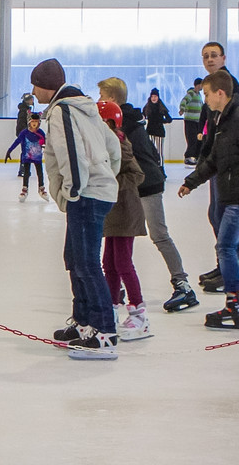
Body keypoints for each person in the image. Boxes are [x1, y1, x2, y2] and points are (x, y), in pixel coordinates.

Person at [30, 58, 122, 360]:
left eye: (35, 86)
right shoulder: (85, 106)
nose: (33, 92)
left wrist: (75, 190)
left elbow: (71, 151)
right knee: (74, 258)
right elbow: (113, 146)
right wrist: (107, 175)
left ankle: (104, 330)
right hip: (94, 190)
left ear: (46, 86)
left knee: (86, 263)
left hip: (85, 194)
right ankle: (84, 323)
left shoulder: (62, 110)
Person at [98, 77, 196, 312]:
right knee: (117, 242)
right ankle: (116, 287)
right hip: (132, 188)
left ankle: (182, 284)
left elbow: (141, 159)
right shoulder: (124, 122)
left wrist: (138, 181)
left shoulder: (125, 125)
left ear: (112, 98)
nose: (99, 100)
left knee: (159, 234)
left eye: (102, 96)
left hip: (146, 186)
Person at [179, 70, 239, 330]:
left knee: (226, 247)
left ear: (220, 93)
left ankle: (234, 305)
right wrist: (191, 182)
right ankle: (233, 304)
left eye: (206, 94)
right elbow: (214, 158)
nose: (205, 99)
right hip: (231, 195)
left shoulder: (235, 119)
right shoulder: (223, 119)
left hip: (236, 196)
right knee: (227, 247)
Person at [97, 100, 152, 341]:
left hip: (126, 210)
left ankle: (139, 313)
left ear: (111, 123)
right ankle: (110, 310)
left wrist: (111, 186)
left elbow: (137, 175)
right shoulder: (102, 144)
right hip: (112, 211)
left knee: (122, 263)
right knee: (108, 263)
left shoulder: (120, 143)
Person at [195, 42, 237, 293]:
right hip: (215, 160)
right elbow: (209, 129)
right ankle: (223, 264)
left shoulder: (229, 88)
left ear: (223, 58)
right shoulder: (210, 88)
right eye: (205, 56)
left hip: (227, 165)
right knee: (215, 215)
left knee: (226, 218)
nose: (209, 59)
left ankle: (230, 269)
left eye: (213, 55)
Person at [5, 114, 48, 202]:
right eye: (33, 122)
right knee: (26, 173)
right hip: (27, 157)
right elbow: (17, 141)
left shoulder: (41, 133)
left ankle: (41, 188)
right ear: (29, 122)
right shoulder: (24, 132)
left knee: (40, 173)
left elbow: (46, 143)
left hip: (37, 157)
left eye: (36, 122)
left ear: (39, 123)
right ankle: (25, 189)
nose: (34, 124)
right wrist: (9, 150)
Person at [142, 88, 172, 161]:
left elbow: (169, 119)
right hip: (149, 131)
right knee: (150, 151)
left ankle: (161, 167)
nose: (153, 98)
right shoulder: (147, 107)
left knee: (159, 152)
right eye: (152, 96)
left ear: (158, 97)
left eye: (155, 96)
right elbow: (142, 116)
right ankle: (152, 166)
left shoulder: (161, 107)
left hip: (159, 132)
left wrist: (162, 121)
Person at [180, 78, 204, 166]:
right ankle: (188, 157)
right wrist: (182, 109)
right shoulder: (191, 93)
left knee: (198, 139)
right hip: (190, 120)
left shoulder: (199, 95)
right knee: (192, 139)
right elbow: (184, 101)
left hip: (197, 121)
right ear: (198, 85)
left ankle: (196, 156)